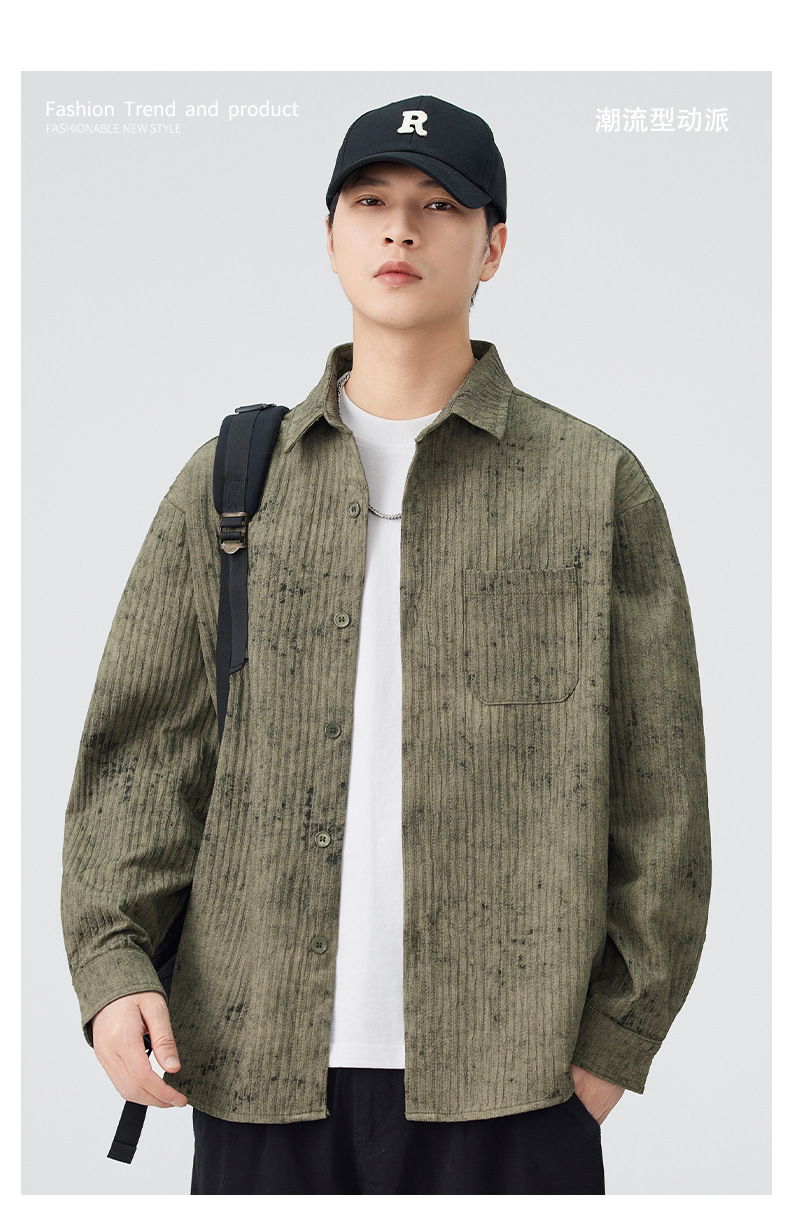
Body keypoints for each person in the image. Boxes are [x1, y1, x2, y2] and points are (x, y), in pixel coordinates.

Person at [61, 95, 712, 1196]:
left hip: (515, 1074)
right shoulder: (232, 483)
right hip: (258, 1061)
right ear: (330, 236)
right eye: (370, 203)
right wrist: (113, 965)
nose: (400, 229)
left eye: (439, 205)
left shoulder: (591, 486)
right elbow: (143, 755)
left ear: (492, 246)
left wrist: (617, 1039)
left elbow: (662, 792)